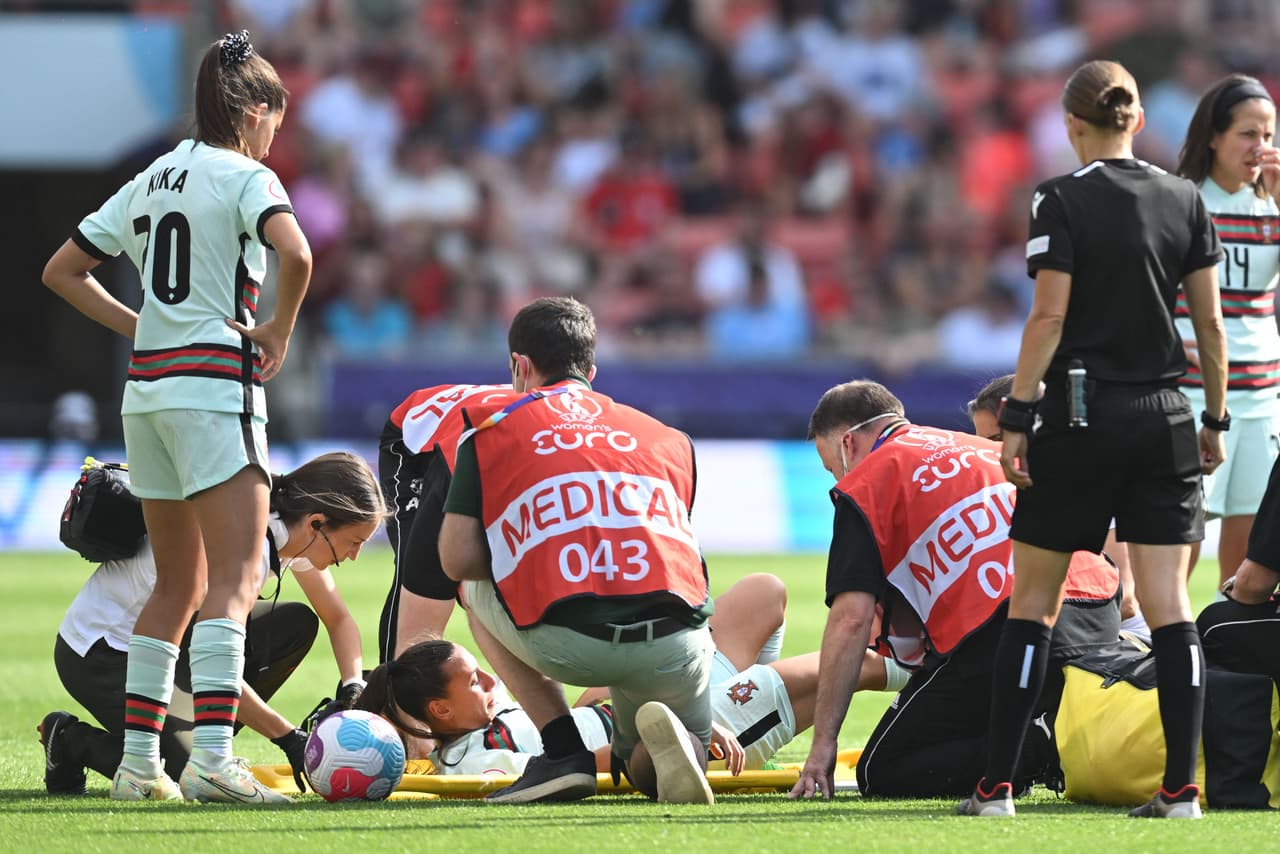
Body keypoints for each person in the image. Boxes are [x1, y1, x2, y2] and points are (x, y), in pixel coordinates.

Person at [40, 30, 312, 802]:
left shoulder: (151, 177)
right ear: (254, 111)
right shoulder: (247, 176)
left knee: (177, 585)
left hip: (147, 395)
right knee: (235, 578)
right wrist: (277, 331)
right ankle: (215, 761)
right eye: (275, 120)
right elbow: (297, 255)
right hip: (215, 389)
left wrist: (141, 325)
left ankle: (138, 767)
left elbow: (62, 270)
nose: (274, 136)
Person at [960, 60, 1227, 820]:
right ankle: (1180, 790)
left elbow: (1048, 318)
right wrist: (1213, 420)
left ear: (1072, 124)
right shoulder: (1185, 199)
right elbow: (1208, 325)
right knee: (1171, 605)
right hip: (1166, 416)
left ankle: (996, 789)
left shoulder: (1059, 199)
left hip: (1079, 417)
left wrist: (1017, 415)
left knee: (1034, 607)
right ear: (1136, 119)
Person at [438, 296, 717, 805]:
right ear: (591, 371)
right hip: (674, 635)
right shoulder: (667, 437)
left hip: (571, 640)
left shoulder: (492, 427)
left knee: (470, 588)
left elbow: (456, 559)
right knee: (652, 758)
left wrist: (527, 560)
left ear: (519, 366)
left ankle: (563, 751)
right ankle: (673, 754)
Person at [788, 381, 1119, 802]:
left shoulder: (867, 483)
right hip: (1097, 610)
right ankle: (1050, 732)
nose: (838, 478)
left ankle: (1040, 749)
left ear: (848, 444)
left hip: (1010, 626)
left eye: (831, 466)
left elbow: (851, 619)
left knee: (882, 770)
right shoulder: (980, 446)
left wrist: (822, 747)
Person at [37, 452, 384, 798]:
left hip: (173, 645)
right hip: (102, 654)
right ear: (316, 523)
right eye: (354, 542)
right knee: (190, 773)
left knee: (295, 625)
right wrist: (290, 738)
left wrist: (352, 686)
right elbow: (215, 666)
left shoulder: (289, 527)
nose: (354, 556)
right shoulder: (249, 549)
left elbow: (338, 618)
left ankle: (199, 738)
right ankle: (70, 740)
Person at [357, 576, 817, 779]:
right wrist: (684, 724)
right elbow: (575, 763)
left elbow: (570, 723)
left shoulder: (485, 721)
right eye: (475, 681)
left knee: (764, 592)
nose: (491, 680)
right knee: (838, 668)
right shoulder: (474, 763)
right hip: (672, 734)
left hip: (647, 699)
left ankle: (759, 710)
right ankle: (756, 714)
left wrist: (614, 687)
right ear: (440, 709)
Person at [1175, 75, 1280, 586]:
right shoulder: (1180, 202)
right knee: (1183, 537)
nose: (1260, 146)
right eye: (1247, 133)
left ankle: (1228, 634)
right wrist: (1168, 340)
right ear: (1213, 136)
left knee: (1251, 546)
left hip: (1262, 398)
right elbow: (1139, 292)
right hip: (1192, 395)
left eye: (1269, 135)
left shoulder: (1273, 205)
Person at [969, 375, 1149, 641]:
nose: (992, 453)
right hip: (1061, 633)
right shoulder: (1008, 495)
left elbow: (1125, 602)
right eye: (983, 444)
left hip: (1115, 639)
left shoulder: (1094, 482)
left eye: (997, 439)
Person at [376, 382, 510, 663]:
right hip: (410, 446)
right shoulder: (471, 444)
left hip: (461, 426)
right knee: (416, 568)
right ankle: (392, 681)